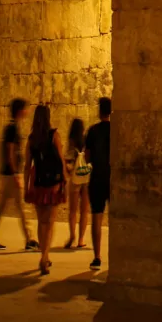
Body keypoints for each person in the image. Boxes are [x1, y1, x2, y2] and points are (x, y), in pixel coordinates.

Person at [0, 98, 38, 252]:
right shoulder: (13, 128)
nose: (27, 111)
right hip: (11, 174)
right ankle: (30, 239)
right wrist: (15, 172)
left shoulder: (12, 127)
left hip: (8, 173)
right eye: (25, 109)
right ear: (20, 111)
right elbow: (10, 151)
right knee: (22, 207)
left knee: (1, 207)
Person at [24, 104, 67, 275]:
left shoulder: (31, 139)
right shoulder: (54, 135)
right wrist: (65, 180)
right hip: (53, 184)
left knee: (41, 221)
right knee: (50, 222)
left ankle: (44, 255)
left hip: (38, 182)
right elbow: (61, 161)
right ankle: (45, 256)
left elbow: (27, 165)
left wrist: (26, 186)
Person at [84, 97, 111, 270]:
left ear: (100, 111)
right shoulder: (116, 130)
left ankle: (97, 257)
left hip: (97, 177)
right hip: (112, 177)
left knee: (96, 217)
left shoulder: (92, 131)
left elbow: (87, 157)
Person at [64, 117, 90, 250]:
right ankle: (81, 239)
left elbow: (68, 162)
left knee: (73, 211)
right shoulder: (86, 142)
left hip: (75, 179)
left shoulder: (71, 143)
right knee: (84, 211)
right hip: (86, 178)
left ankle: (72, 236)